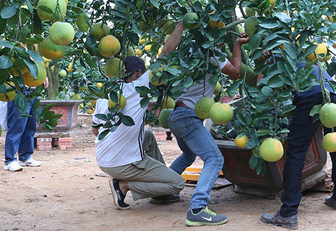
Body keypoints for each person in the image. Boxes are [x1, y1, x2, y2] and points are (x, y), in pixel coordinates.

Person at [163, 22, 249, 227]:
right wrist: (237, 45)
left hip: (176, 115)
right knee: (214, 158)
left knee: (188, 155)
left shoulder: (188, 51)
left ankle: (162, 192)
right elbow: (236, 72)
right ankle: (198, 208)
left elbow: (165, 52)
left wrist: (180, 27)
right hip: (189, 118)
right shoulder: (212, 53)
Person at [261, 64, 336, 229]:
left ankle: (287, 213)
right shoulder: (303, 52)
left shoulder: (277, 56)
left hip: (310, 97)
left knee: (296, 152)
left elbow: (263, 86)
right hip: (334, 96)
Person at [94, 56, 185, 210]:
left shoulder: (107, 93)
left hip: (102, 158)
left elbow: (96, 131)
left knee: (147, 135)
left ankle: (160, 194)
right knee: (177, 183)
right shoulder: (140, 87)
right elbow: (166, 54)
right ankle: (124, 185)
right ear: (138, 73)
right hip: (122, 165)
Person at [4, 89, 42, 171]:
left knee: (30, 126)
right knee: (16, 127)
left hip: (32, 91)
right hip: (18, 91)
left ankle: (25, 157)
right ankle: (9, 161)